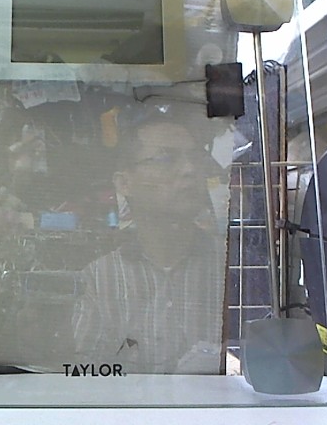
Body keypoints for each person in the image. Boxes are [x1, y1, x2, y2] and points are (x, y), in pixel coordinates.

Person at [70, 104, 229, 374]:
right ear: (124, 183)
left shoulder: (229, 270)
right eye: (166, 159)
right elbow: (86, 376)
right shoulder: (101, 278)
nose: (189, 170)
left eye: (195, 158)